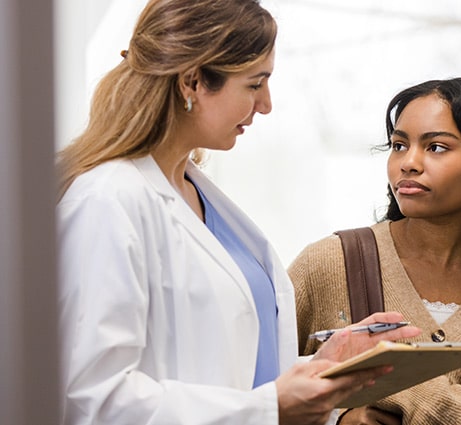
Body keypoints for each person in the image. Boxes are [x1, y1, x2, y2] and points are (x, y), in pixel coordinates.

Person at [55, 1, 420, 424]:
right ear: (193, 82)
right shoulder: (106, 201)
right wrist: (269, 409)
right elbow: (92, 399)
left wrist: (320, 366)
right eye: (254, 84)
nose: (265, 104)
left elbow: (228, 370)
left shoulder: (197, 195)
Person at [289, 77, 461, 424]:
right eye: (399, 145)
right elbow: (255, 398)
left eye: (435, 147)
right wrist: (340, 420)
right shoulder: (329, 264)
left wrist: (417, 395)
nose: (409, 162)